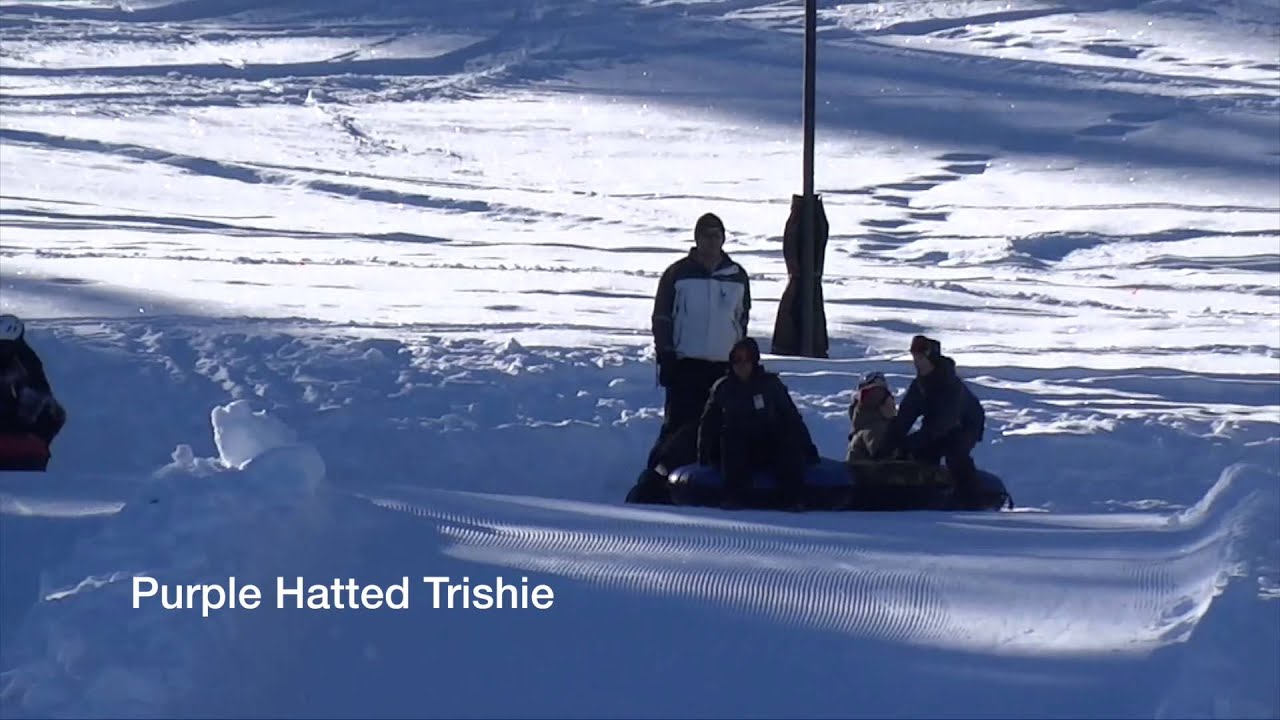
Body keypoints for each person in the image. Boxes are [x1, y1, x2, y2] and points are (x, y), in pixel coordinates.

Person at [629, 212, 751, 502]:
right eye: (706, 235)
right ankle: (655, 482)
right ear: (696, 239)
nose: (711, 241)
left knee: (719, 428)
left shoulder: (736, 275)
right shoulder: (677, 274)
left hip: (723, 367)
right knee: (678, 428)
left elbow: (741, 319)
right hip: (686, 365)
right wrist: (667, 356)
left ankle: (705, 482)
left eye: (717, 235)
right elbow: (662, 317)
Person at [697, 337, 816, 510]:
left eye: (746, 360)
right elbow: (708, 423)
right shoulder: (723, 388)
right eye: (737, 360)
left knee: (785, 436)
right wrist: (703, 453)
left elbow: (791, 417)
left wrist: (808, 448)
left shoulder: (770, 385)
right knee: (730, 436)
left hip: (765, 443)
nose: (742, 365)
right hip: (736, 448)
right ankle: (734, 495)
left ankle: (792, 497)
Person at [883, 335, 986, 509]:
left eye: (920, 357)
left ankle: (972, 500)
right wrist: (889, 445)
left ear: (931, 357)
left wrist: (911, 443)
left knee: (955, 453)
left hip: (966, 425)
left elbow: (942, 424)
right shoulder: (919, 385)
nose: (916, 362)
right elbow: (905, 417)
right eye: (914, 357)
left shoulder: (949, 385)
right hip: (937, 425)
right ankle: (926, 495)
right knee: (921, 455)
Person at [0, 314, 66, 447]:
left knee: (52, 413)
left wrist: (21, 424)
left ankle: (29, 450)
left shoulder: (27, 361)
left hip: (18, 420)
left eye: (4, 344)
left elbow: (39, 391)